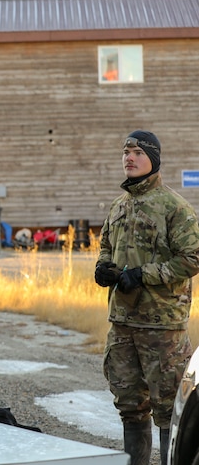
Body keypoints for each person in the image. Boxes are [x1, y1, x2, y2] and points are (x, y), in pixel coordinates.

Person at [94, 130, 199, 465]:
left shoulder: (174, 207)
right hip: (122, 325)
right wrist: (103, 270)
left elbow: (192, 257)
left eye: (138, 152)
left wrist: (143, 275)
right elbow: (106, 248)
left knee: (168, 410)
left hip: (162, 328)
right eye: (126, 151)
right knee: (129, 407)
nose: (129, 157)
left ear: (153, 158)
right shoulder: (118, 205)